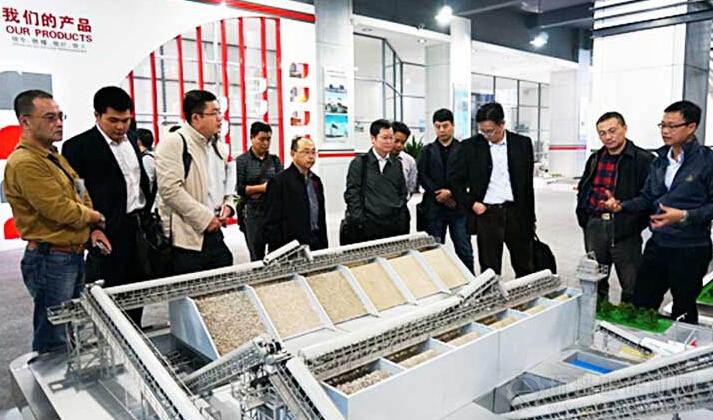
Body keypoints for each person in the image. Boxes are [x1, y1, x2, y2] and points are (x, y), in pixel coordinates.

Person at [4, 90, 109, 352]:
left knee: (70, 330)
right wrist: (96, 217)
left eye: (61, 116)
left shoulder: (52, 156)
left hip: (70, 254)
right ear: (25, 121)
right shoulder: (26, 162)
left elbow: (79, 190)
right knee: (55, 337)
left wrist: (92, 226)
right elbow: (59, 209)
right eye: (50, 117)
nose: (59, 123)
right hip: (50, 258)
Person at [604, 100, 713, 324]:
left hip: (690, 248)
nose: (665, 131)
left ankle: (680, 346)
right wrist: (621, 206)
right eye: (662, 125)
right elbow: (648, 197)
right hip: (658, 244)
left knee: (683, 309)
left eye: (672, 126)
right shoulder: (660, 160)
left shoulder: (707, 161)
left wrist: (684, 216)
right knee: (641, 304)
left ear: (691, 127)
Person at [62, 86, 152, 327]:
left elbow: (139, 182)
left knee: (137, 290)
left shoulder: (132, 139)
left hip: (137, 227)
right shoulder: (78, 147)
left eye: (125, 120)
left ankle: (135, 336)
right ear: (97, 115)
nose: (120, 127)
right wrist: (92, 228)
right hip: (105, 229)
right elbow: (77, 193)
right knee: (108, 295)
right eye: (113, 120)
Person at [451, 102, 535, 277]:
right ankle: (492, 295)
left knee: (525, 265)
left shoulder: (522, 144)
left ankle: (526, 295)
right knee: (490, 270)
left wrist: (530, 218)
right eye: (482, 131)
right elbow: (455, 182)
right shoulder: (470, 147)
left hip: (516, 213)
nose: (486, 135)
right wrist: (472, 203)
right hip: (487, 213)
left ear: (502, 124)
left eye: (490, 131)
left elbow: (527, 186)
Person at [576, 112, 653, 303]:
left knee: (631, 281)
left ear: (624, 129)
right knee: (596, 279)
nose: (608, 137)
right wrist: (585, 217)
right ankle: (597, 313)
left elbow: (649, 197)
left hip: (625, 228)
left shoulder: (643, 159)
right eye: (602, 133)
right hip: (595, 226)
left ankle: (630, 315)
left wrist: (630, 216)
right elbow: (584, 187)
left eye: (612, 131)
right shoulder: (595, 158)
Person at [155, 90, 234, 274]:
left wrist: (229, 204)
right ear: (196, 118)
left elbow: (226, 183)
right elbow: (170, 190)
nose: (220, 118)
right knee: (189, 290)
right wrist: (205, 219)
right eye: (214, 113)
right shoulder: (174, 143)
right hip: (186, 239)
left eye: (219, 113)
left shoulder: (215, 145)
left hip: (215, 232)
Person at [417, 109, 473, 272]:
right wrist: (439, 193)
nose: (441, 130)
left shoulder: (464, 150)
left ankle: (470, 280)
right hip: (434, 208)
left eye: (445, 126)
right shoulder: (427, 151)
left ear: (453, 125)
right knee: (434, 251)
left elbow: (469, 176)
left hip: (458, 207)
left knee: (464, 249)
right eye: (438, 126)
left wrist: (451, 193)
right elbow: (422, 175)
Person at [344, 119, 409, 242]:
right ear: (373, 139)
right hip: (367, 228)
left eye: (391, 138)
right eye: (384, 138)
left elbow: (402, 192)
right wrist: (360, 219)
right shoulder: (360, 163)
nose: (389, 142)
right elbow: (352, 194)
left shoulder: (396, 164)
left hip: (393, 227)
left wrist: (399, 216)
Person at [264, 137, 327, 251]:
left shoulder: (316, 181)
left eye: (313, 152)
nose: (311, 156)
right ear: (293, 153)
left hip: (315, 241)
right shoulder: (279, 182)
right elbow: (272, 221)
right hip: (291, 245)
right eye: (306, 152)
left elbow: (320, 217)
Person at [235, 121, 282, 261]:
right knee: (256, 254)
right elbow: (240, 188)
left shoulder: (275, 160)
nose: (265, 143)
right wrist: (263, 188)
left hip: (272, 211)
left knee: (276, 253)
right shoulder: (242, 161)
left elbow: (281, 184)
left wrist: (260, 189)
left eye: (268, 139)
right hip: (253, 213)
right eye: (262, 139)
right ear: (252, 138)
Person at [392, 121, 419, 198]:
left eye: (403, 142)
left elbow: (411, 187)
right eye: (396, 141)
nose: (399, 145)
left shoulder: (409, 161)